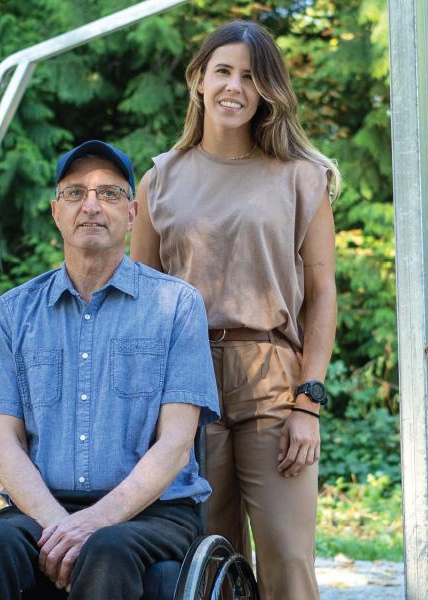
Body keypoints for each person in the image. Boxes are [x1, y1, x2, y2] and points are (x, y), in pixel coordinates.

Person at [130, 21, 339, 600]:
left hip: (273, 378)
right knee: (206, 562)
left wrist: (309, 399)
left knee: (288, 560)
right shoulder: (158, 180)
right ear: (198, 79)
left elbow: (322, 292)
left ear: (267, 90)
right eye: (223, 71)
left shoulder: (302, 177)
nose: (234, 86)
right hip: (186, 385)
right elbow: (142, 300)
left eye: (251, 76)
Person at [0, 140, 219, 599]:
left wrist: (94, 523)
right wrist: (62, 525)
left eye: (110, 194)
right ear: (56, 211)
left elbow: (177, 444)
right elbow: (5, 445)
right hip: (42, 508)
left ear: (133, 212)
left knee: (106, 548)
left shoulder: (176, 305)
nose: (92, 206)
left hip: (154, 513)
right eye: (76, 193)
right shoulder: (12, 313)